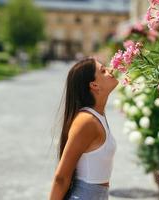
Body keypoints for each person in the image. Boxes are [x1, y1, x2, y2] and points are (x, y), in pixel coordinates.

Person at [49, 58, 119, 200]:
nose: (111, 70)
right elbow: (61, 177)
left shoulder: (98, 116)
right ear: (94, 85)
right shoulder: (86, 121)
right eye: (103, 71)